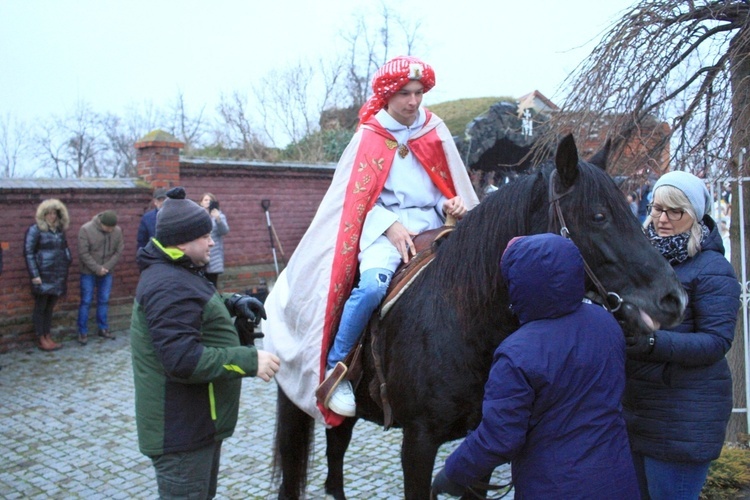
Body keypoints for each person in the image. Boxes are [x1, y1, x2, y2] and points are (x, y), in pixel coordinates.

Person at [262, 55, 479, 425]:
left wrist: (452, 202)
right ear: (387, 96)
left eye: (419, 94)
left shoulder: (434, 129)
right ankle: (339, 369)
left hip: (434, 224)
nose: (413, 102)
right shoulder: (370, 135)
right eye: (404, 94)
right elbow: (356, 199)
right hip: (381, 231)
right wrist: (389, 225)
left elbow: (446, 184)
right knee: (373, 287)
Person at [430, 233, 639, 499]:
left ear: (519, 282)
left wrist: (454, 473)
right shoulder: (605, 322)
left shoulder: (516, 353)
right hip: (616, 478)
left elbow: (500, 436)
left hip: (554, 486)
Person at [130, 186, 280, 499]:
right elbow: (183, 359)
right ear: (183, 241)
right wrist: (250, 361)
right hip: (181, 432)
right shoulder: (168, 284)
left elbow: (194, 305)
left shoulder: (177, 269)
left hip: (196, 425)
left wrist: (232, 302)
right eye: (205, 236)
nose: (212, 241)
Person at [626, 171, 741, 499]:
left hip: (682, 418)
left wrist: (653, 342)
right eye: (656, 208)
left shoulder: (712, 269)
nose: (662, 219)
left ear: (694, 215)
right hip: (639, 412)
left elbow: (716, 342)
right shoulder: (639, 261)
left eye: (674, 211)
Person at [24, 199, 72, 351]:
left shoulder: (59, 231)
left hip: (57, 275)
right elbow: (28, 253)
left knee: (50, 307)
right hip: (42, 275)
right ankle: (41, 337)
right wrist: (34, 275)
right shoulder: (35, 230)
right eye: (48, 213)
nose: (52, 216)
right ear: (43, 214)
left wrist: (67, 259)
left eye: (54, 213)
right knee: (41, 307)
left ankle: (47, 335)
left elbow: (65, 247)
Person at [77, 210, 124, 345]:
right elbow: (83, 253)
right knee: (86, 301)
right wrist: (98, 268)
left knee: (104, 300)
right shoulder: (86, 230)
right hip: (88, 271)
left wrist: (106, 267)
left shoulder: (117, 231)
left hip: (107, 271)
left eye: (112, 228)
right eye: (107, 227)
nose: (110, 230)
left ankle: (103, 328)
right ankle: (82, 331)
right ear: (101, 223)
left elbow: (119, 250)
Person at [199, 192, 229, 288]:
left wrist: (218, 219)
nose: (208, 202)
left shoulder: (219, 216)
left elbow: (224, 231)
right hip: (200, 252)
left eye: (210, 200)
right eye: (206, 200)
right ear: (201, 203)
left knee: (212, 283)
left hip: (214, 254)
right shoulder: (197, 216)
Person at [136, 187, 168, 252]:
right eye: (159, 200)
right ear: (155, 202)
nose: (162, 203)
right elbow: (142, 241)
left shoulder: (175, 216)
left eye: (164, 200)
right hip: (154, 255)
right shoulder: (147, 218)